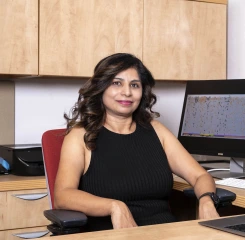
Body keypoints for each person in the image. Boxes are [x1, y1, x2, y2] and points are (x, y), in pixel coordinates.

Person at [54, 53, 220, 231]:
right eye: (117, 83)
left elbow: (200, 176)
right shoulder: (80, 136)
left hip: (164, 233)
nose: (127, 92)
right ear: (101, 87)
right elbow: (62, 195)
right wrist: (114, 206)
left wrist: (206, 199)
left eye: (134, 85)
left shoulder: (156, 130)